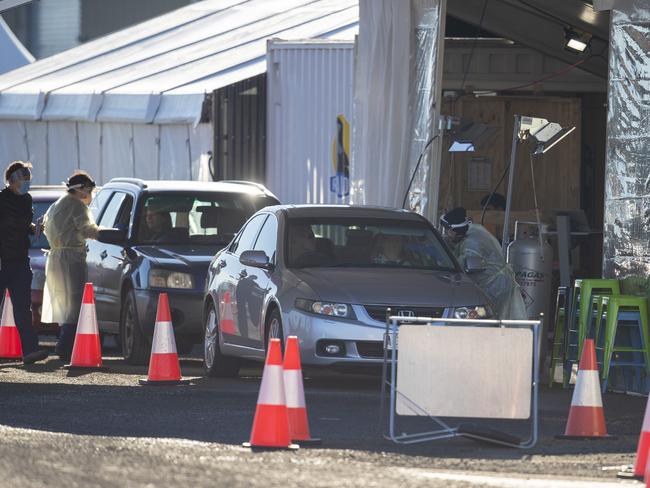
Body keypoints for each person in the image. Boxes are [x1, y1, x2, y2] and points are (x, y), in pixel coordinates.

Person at [42, 171, 100, 361]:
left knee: (64, 302)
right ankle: (65, 347)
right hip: (71, 258)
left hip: (56, 257)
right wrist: (105, 233)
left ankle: (64, 343)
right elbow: (87, 229)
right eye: (89, 190)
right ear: (82, 189)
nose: (91, 194)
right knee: (74, 303)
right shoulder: (77, 206)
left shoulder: (57, 204)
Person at [0, 161, 49, 364]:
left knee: (23, 308)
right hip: (2, 261)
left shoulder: (26, 199)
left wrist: (33, 228)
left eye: (29, 179)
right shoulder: (2, 199)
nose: (27, 183)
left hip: (20, 260)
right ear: (11, 180)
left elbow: (21, 224)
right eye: (23, 179)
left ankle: (30, 351)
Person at [441, 207, 527, 320]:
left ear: (452, 231)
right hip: (497, 282)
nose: (445, 234)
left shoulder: (472, 245)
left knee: (491, 320)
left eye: (446, 230)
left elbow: (461, 266)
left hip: (495, 286)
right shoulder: (475, 229)